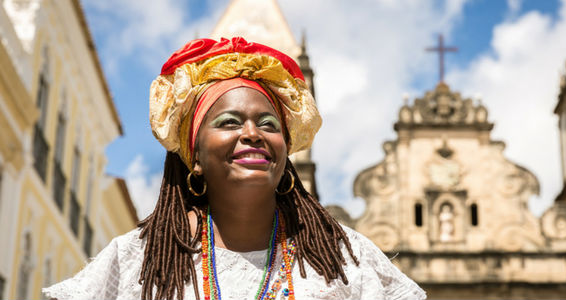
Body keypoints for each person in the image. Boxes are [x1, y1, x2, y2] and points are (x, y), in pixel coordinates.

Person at [43, 37, 426, 300]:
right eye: (229, 122)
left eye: (269, 124)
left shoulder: (345, 260)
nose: (252, 133)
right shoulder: (136, 262)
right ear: (193, 154)